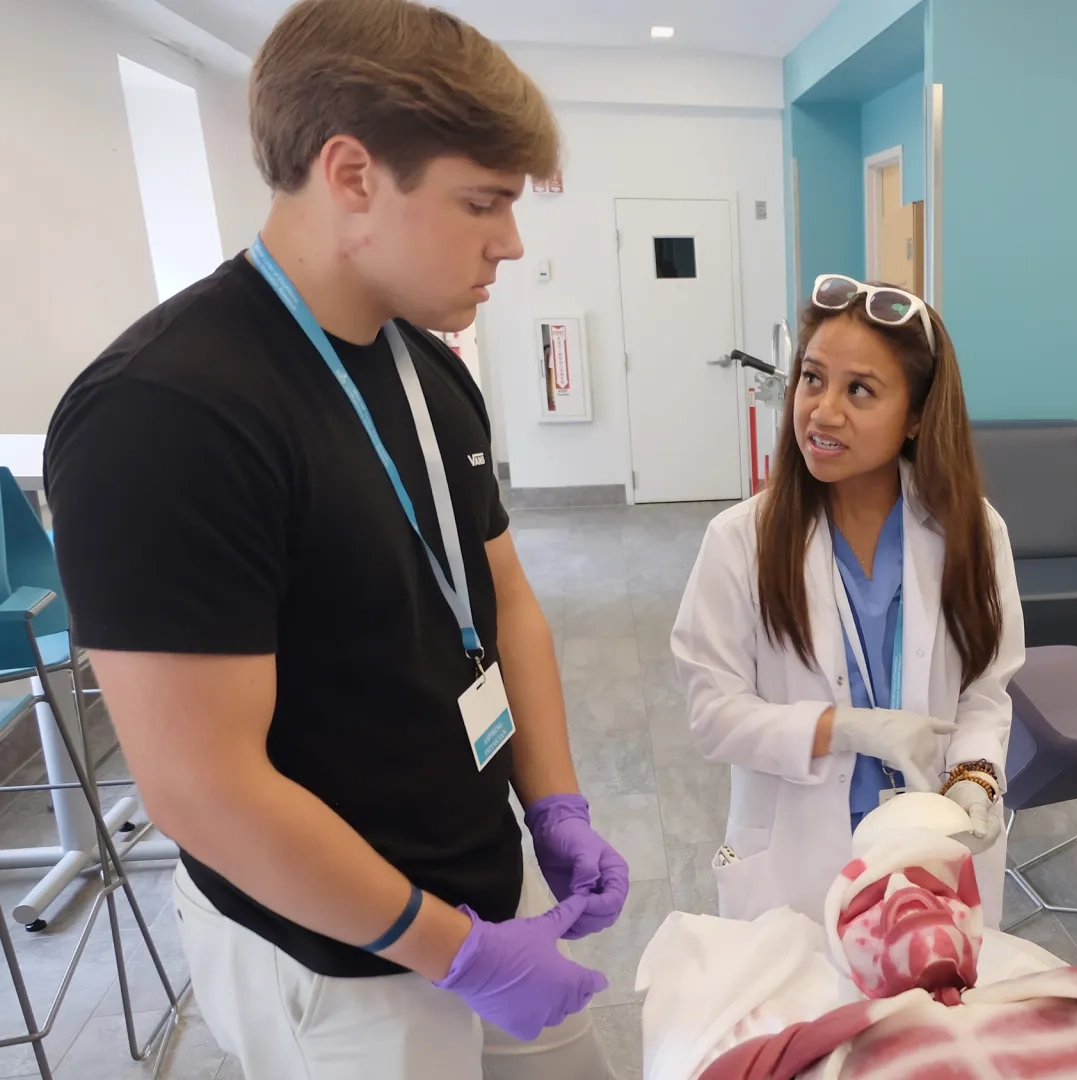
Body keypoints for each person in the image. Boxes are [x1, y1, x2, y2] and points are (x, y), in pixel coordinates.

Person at [42, 2, 626, 1077]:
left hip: (485, 881)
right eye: (482, 202)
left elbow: (504, 600)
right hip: (339, 957)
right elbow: (202, 787)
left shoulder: (427, 365)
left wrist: (553, 801)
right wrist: (456, 955)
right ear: (353, 174)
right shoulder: (166, 412)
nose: (511, 242)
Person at [672, 274, 1023, 929]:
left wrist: (974, 775)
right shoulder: (739, 541)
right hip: (797, 868)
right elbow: (711, 713)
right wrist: (843, 729)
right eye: (811, 379)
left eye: (859, 389)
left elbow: (985, 688)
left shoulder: (973, 532)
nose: (823, 410)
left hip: (931, 852)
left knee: (924, 1023)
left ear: (917, 415)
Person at [636, 792, 1077, 1080]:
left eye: (938, 889)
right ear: (843, 950)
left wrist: (973, 773)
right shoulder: (797, 1057)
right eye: (870, 897)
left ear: (976, 925)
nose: (906, 895)